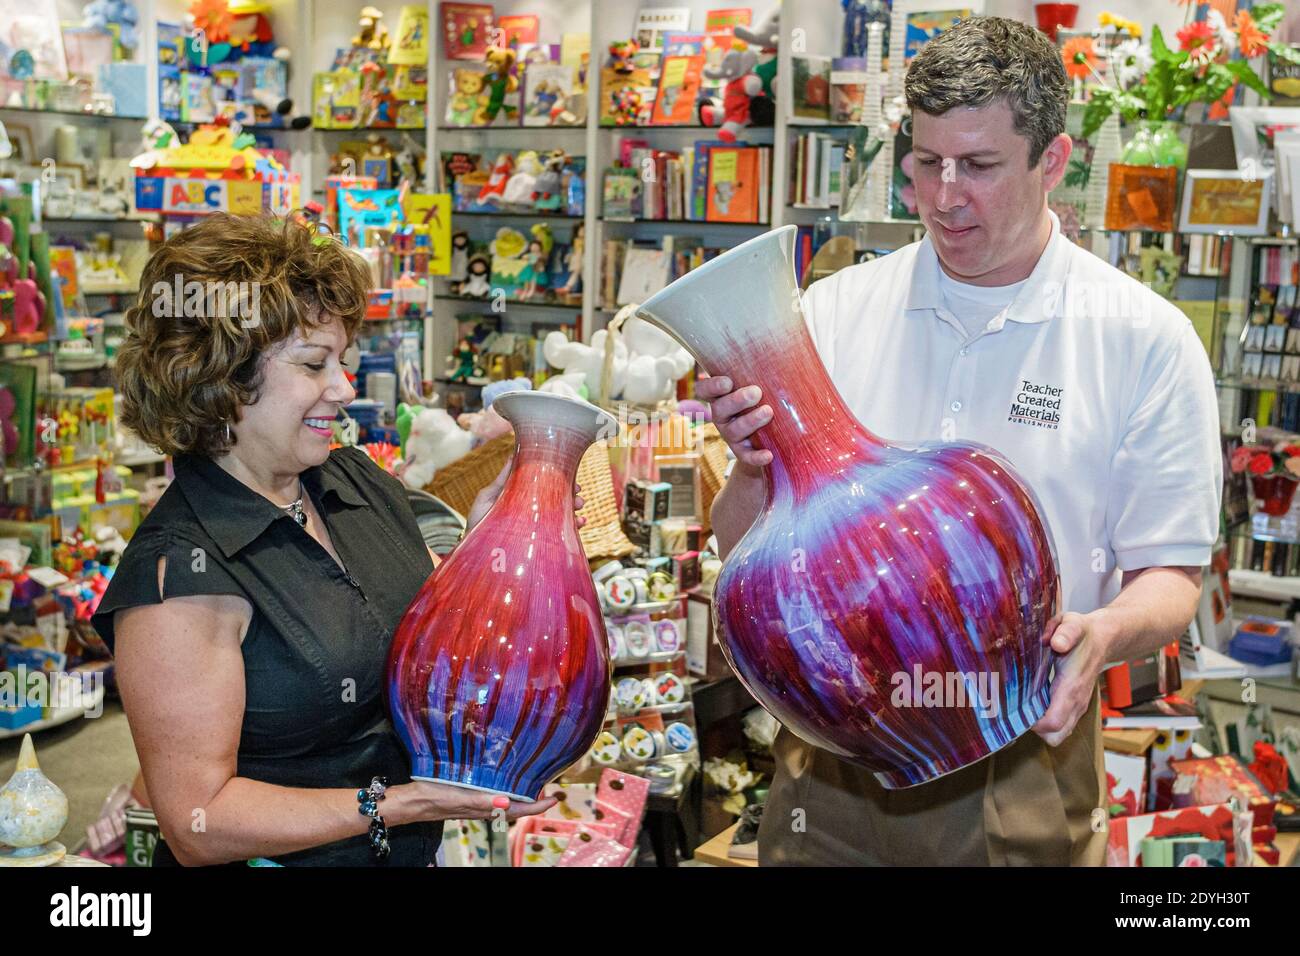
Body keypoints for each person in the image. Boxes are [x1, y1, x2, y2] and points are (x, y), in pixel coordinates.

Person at [699, 17, 1221, 865]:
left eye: (978, 166)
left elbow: (1170, 577)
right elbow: (742, 548)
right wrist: (754, 473)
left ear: (1052, 162)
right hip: (830, 758)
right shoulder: (829, 315)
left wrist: (1103, 635)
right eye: (926, 163)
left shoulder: (1141, 339)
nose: (944, 196)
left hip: (1019, 752)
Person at [93, 214, 579, 866]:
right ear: (221, 378)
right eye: (314, 364)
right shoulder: (179, 575)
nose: (344, 389)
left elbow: (435, 619)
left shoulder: (351, 481)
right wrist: (405, 802)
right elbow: (197, 824)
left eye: (343, 362)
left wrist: (496, 539)